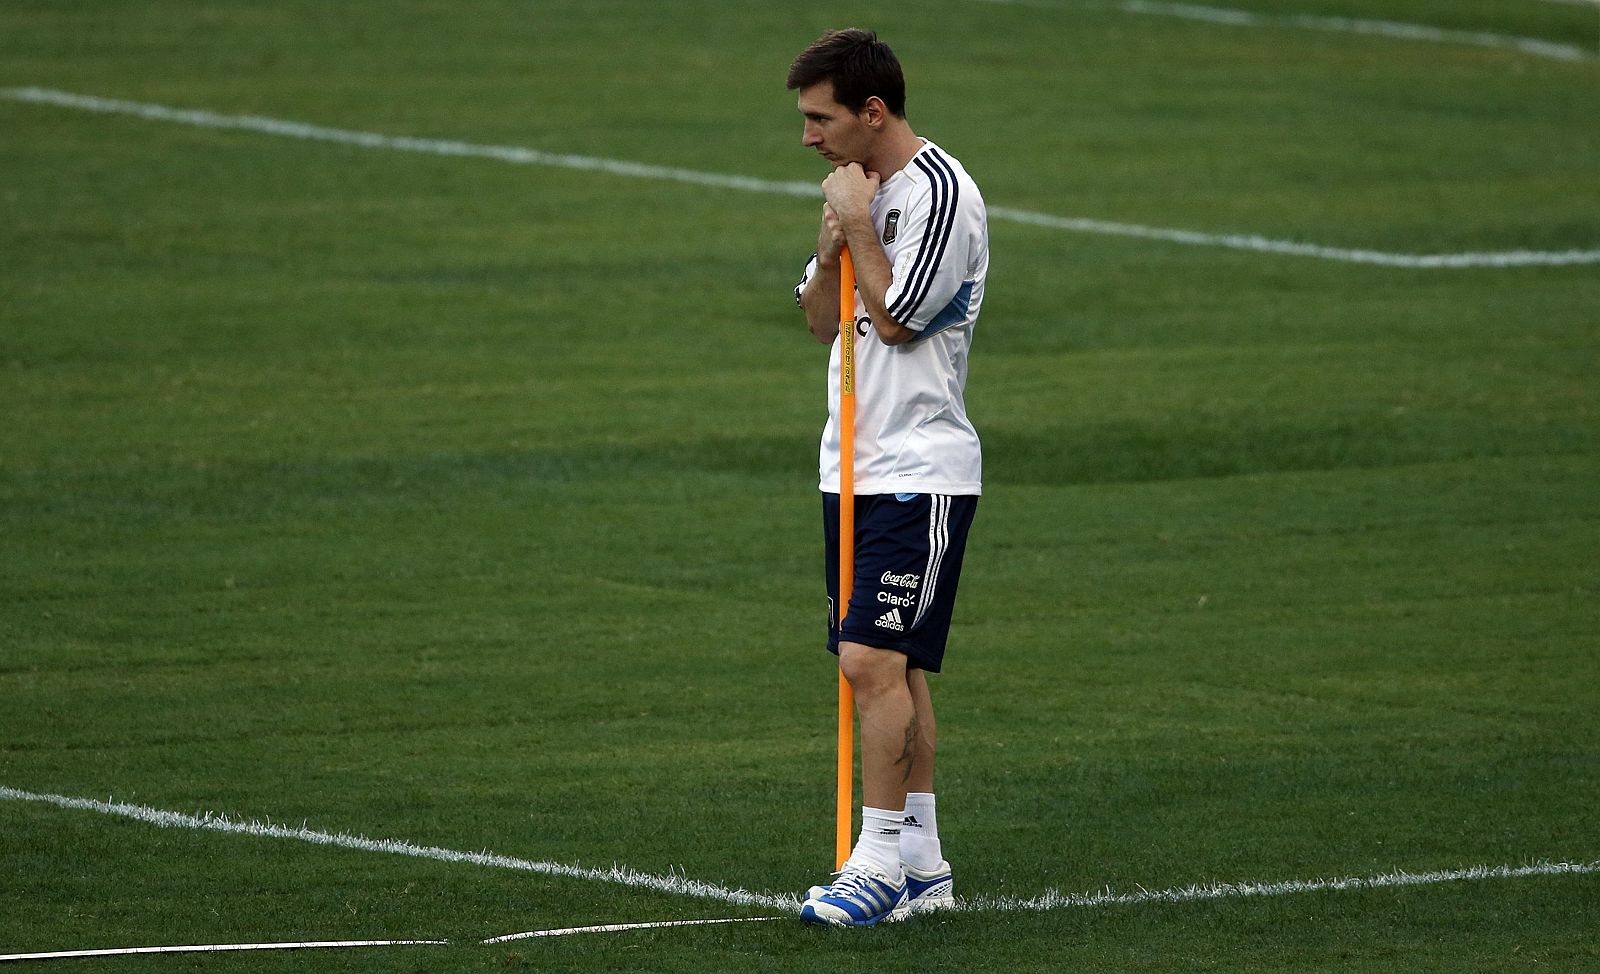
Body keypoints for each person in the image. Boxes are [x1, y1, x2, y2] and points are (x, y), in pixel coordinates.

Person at [788, 28, 989, 927]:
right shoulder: (853, 193)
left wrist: (861, 225)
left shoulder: (945, 194)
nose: (809, 138)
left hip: (920, 467)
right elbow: (823, 322)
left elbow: (900, 319)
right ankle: (923, 862)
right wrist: (832, 233)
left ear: (874, 112)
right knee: (892, 671)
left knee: (873, 657)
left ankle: (873, 864)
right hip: (850, 467)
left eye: (821, 119)